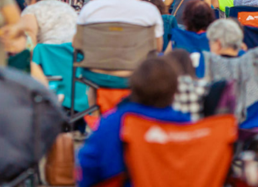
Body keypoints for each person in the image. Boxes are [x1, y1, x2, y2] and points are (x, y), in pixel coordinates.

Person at [77, 57, 189, 187]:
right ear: (174, 90)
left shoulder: (113, 124)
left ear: (133, 86)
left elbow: (87, 170)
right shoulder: (188, 127)